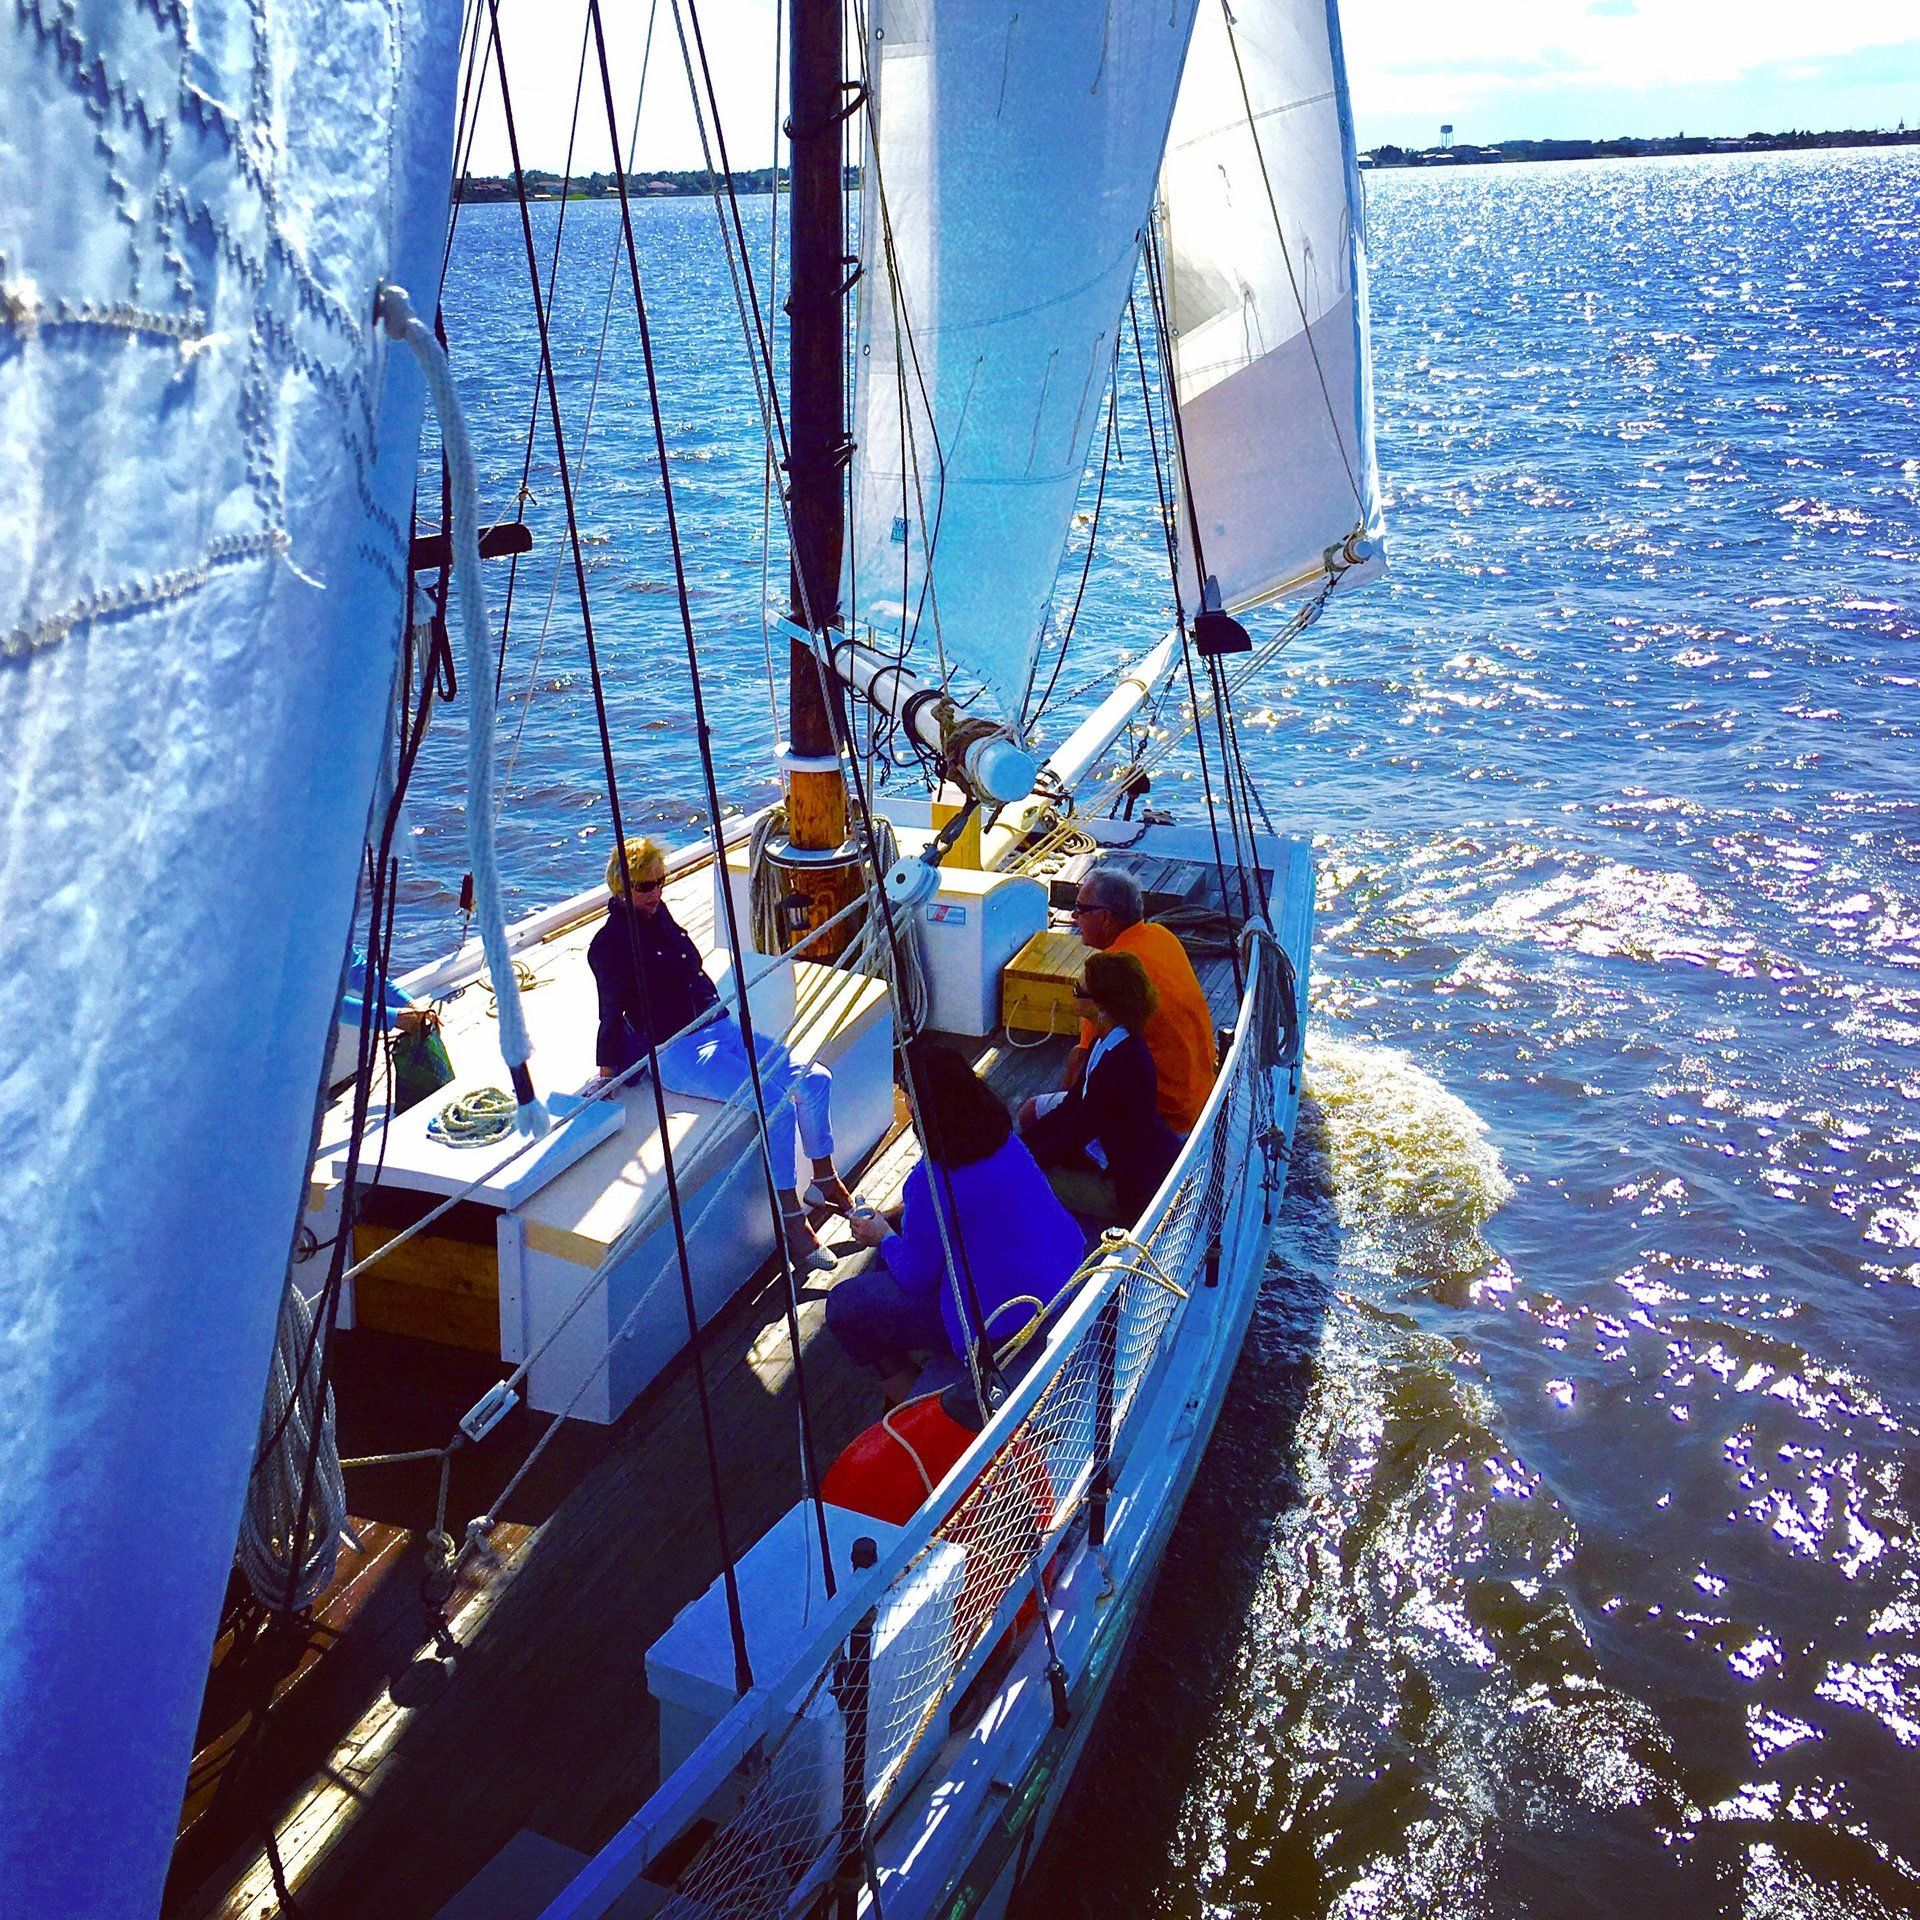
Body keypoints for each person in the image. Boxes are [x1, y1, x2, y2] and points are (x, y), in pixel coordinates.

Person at [587, 837, 852, 1267]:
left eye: (660, 882)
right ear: (621, 887)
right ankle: (790, 1218)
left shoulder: (658, 915)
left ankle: (823, 1178)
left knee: (816, 1079)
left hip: (721, 1026)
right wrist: (607, 1072)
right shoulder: (609, 944)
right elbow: (609, 1009)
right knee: (775, 1106)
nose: (656, 893)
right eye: (645, 886)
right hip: (679, 1051)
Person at [830, 1040, 1086, 1403]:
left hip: (1003, 1324)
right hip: (1060, 1278)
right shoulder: (1003, 1141)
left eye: (908, 1096)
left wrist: (882, 1234)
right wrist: (896, 1220)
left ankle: (908, 1398)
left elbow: (916, 1278)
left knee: (845, 1306)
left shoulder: (931, 1181)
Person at [1035, 866, 1216, 1135]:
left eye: (1081, 908)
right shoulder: (1162, 935)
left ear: (1106, 918)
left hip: (1163, 1117)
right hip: (1201, 1101)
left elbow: (1082, 1060)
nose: (1073, 916)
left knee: (1031, 1112)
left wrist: (1060, 1124)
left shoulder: (1109, 971)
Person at [1020, 950, 1181, 1222]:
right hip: (1118, 1157)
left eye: (1078, 990)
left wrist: (1021, 1163)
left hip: (1124, 1189)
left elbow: (1074, 1135)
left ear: (1101, 1006)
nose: (1073, 994)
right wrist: (1018, 1146)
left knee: (1028, 1181)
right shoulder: (1105, 1043)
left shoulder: (1120, 1066)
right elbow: (1071, 1107)